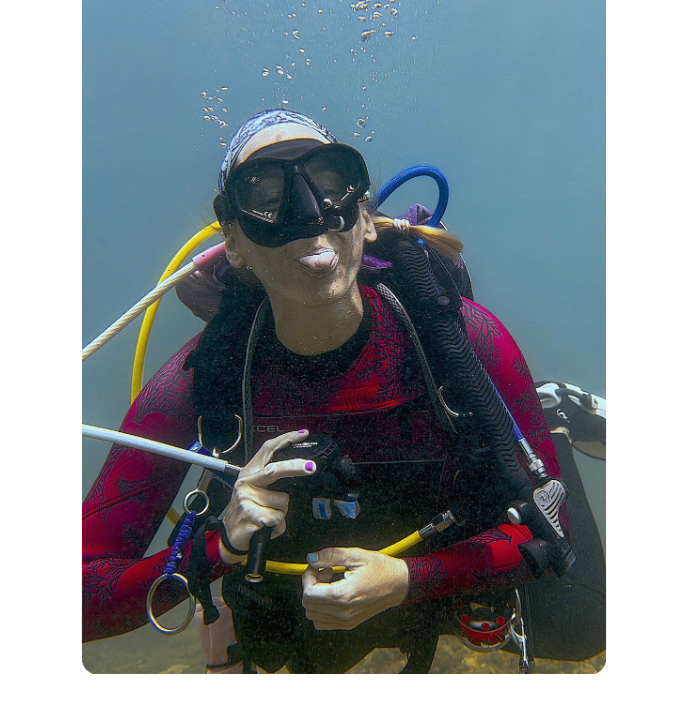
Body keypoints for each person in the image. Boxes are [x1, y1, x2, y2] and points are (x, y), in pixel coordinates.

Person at [81, 109, 605, 673]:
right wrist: (219, 548)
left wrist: (406, 580)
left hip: (442, 574)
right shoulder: (205, 376)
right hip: (315, 599)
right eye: (266, 196)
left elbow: (549, 530)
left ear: (367, 219)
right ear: (232, 242)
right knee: (282, 650)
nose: (310, 215)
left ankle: (546, 408)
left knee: (582, 623)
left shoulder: (464, 340)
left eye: (330, 184)